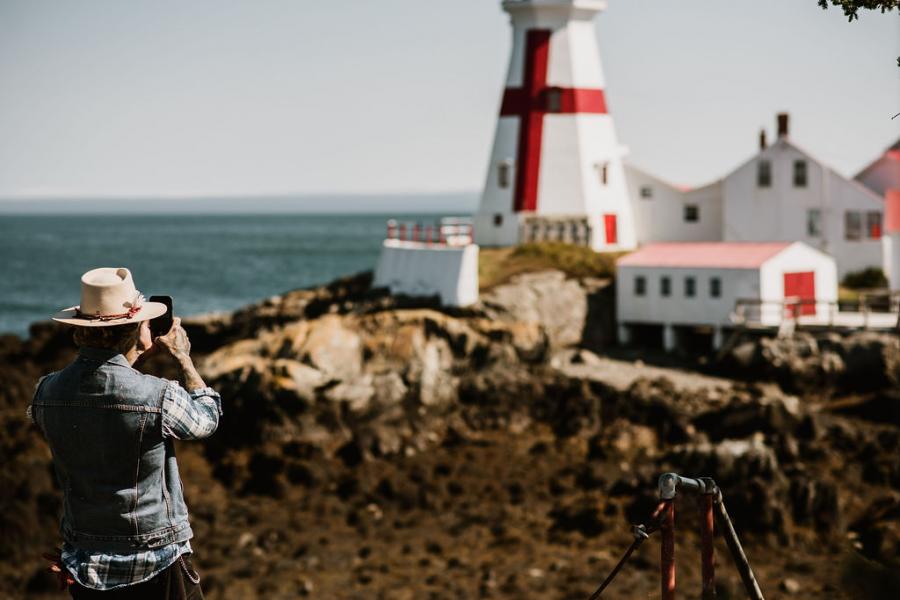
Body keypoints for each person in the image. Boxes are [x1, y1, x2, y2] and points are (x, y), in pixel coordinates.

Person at [28, 267, 222, 599]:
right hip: (157, 563)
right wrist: (185, 360)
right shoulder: (158, 395)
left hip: (86, 566)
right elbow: (207, 420)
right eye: (145, 322)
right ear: (134, 330)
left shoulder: (45, 392)